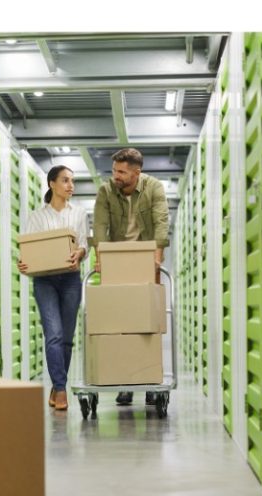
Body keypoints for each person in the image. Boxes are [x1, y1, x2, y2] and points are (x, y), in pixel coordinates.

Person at [92, 148, 170, 406]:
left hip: (146, 257)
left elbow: (161, 221)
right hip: (117, 259)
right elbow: (100, 227)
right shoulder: (106, 192)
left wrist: (157, 257)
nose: (116, 175)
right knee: (119, 325)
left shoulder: (154, 187)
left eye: (122, 172)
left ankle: (148, 379)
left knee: (148, 324)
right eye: (114, 170)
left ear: (137, 172)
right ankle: (125, 382)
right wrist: (101, 259)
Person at [18, 165, 88, 411]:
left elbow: (82, 246)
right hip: (45, 281)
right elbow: (27, 250)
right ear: (52, 184)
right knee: (54, 334)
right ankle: (60, 388)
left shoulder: (78, 214)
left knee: (67, 339)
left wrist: (79, 253)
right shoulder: (37, 217)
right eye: (66, 180)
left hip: (70, 279)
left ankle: (58, 384)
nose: (71, 185)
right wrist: (23, 263)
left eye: (72, 181)